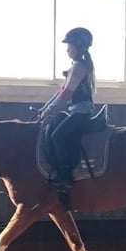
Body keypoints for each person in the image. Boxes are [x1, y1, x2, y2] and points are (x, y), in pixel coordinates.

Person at [38, 27, 96, 196]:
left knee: (58, 135)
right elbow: (60, 92)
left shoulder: (79, 68)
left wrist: (50, 110)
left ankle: (66, 175)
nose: (67, 49)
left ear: (80, 47)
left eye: (70, 46)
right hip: (75, 111)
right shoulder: (75, 66)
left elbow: (67, 93)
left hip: (81, 112)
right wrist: (45, 107)